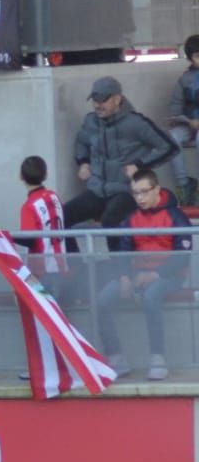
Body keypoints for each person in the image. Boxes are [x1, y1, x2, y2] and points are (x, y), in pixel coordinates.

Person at [95, 169, 191, 382]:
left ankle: (158, 359)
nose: (139, 198)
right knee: (102, 300)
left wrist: (155, 274)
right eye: (135, 193)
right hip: (138, 275)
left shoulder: (176, 216)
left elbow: (183, 257)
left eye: (144, 192)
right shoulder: (132, 218)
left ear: (157, 189)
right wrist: (124, 278)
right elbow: (123, 253)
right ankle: (116, 358)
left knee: (150, 297)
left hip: (171, 276)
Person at [66, 76, 180, 237]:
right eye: (95, 100)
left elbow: (169, 147)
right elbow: (81, 142)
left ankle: (118, 262)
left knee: (110, 221)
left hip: (127, 190)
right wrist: (83, 162)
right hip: (97, 190)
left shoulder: (136, 122)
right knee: (60, 218)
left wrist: (140, 166)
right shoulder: (90, 121)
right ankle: (75, 263)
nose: (98, 105)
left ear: (117, 99)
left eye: (103, 100)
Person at [18, 154, 68, 285]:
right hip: (61, 264)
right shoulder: (54, 196)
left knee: (40, 304)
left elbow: (29, 239)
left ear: (21, 176)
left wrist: (6, 235)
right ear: (45, 175)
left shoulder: (29, 206)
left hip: (41, 270)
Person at [164, 34, 199, 206]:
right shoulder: (185, 79)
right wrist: (184, 120)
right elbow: (175, 108)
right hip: (188, 123)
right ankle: (184, 185)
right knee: (172, 137)